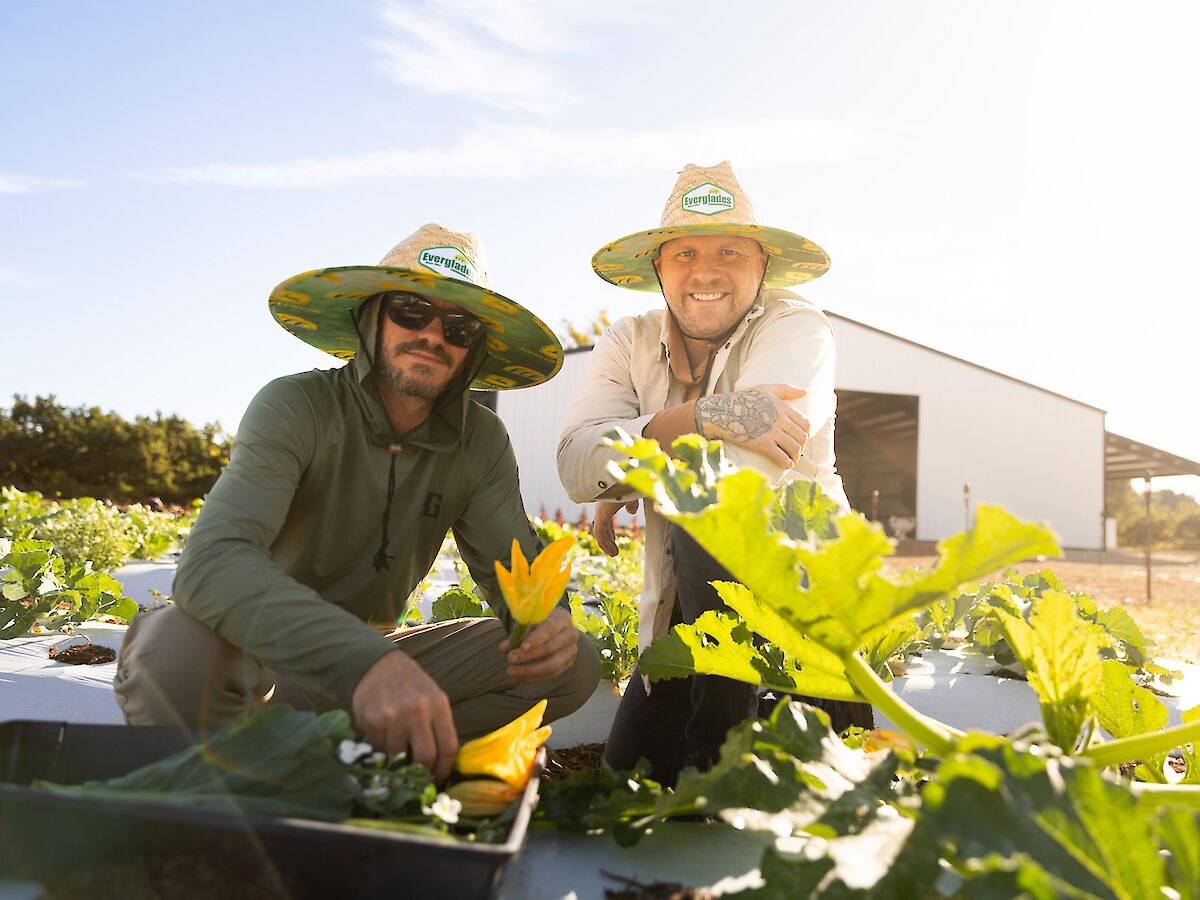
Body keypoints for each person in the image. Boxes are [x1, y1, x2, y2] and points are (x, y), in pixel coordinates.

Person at [115, 224, 600, 782]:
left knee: (567, 666)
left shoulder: (480, 441)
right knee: (174, 649)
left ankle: (375, 766)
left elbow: (518, 571)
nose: (433, 335)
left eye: (459, 326)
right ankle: (229, 800)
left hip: (384, 664)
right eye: (412, 311)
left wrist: (549, 622)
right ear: (372, 317)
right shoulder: (295, 405)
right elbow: (212, 564)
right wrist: (365, 662)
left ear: (474, 350)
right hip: (261, 660)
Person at [557, 162, 855, 785]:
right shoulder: (626, 342)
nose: (707, 270)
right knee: (623, 781)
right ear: (659, 269)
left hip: (799, 631)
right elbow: (576, 464)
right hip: (680, 627)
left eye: (730, 251)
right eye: (685, 252)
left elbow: (736, 478)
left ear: (762, 266)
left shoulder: (797, 329)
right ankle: (706, 760)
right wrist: (704, 415)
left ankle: (723, 762)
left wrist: (631, 466)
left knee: (709, 508)